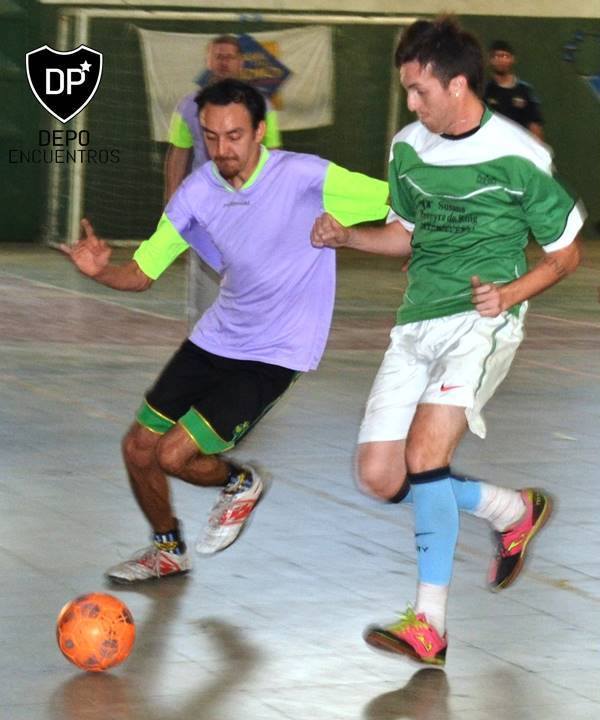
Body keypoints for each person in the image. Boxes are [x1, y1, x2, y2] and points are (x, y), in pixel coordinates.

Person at [311, 16, 584, 666]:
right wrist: (349, 237)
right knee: (380, 476)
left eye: (419, 90)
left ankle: (428, 624)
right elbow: (404, 234)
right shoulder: (408, 147)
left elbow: (565, 254)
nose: (411, 103)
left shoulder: (518, 154)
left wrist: (508, 296)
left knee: (426, 456)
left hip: (482, 324)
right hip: (416, 323)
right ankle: (510, 510)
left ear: (457, 84)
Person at [61, 79, 389, 584]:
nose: (222, 149)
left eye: (234, 135)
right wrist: (101, 271)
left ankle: (240, 481)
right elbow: (143, 273)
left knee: (175, 454)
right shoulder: (197, 193)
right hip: (218, 336)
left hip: (277, 349)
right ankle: (167, 550)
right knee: (138, 448)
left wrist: (381, 239)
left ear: (259, 131)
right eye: (211, 137)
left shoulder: (306, 177)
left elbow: (399, 203)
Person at [164, 34, 281, 201]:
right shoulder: (187, 106)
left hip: (249, 198)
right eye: (218, 57)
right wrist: (171, 201)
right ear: (208, 62)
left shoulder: (263, 106)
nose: (224, 63)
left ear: (240, 62)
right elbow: (179, 156)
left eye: (230, 57)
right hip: (203, 198)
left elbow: (273, 154)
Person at [484, 39, 544, 140]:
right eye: (497, 56)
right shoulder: (483, 90)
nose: (501, 60)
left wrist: (537, 147)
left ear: (512, 59)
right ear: (490, 60)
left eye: (505, 56)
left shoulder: (525, 91)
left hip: (518, 146)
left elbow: (535, 126)